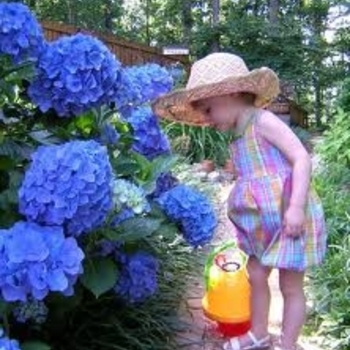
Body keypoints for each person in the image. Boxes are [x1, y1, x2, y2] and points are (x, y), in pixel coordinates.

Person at [152, 53, 327, 350]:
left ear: (231, 92)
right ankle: (259, 333)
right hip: (261, 224)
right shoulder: (236, 136)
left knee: (290, 285)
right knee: (256, 274)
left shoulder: (264, 121)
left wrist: (296, 207)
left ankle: (287, 343)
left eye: (208, 110)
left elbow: (301, 158)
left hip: (289, 217)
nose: (207, 120)